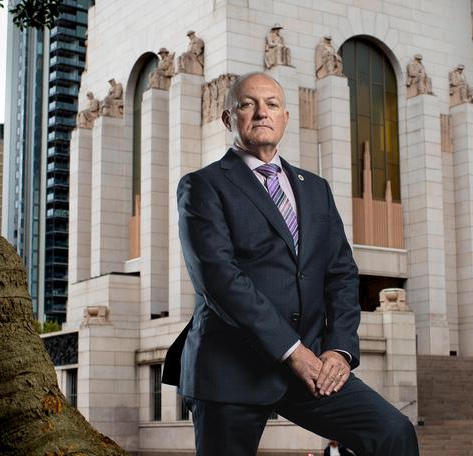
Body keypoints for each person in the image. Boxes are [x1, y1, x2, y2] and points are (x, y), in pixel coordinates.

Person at [162, 72, 419, 456]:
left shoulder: (315, 188)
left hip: (315, 365)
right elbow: (219, 280)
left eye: (272, 104)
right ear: (228, 119)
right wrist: (292, 351)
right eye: (248, 104)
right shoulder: (202, 185)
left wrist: (339, 350)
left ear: (285, 117)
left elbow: (341, 274)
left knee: (393, 432)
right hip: (232, 367)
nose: (261, 112)